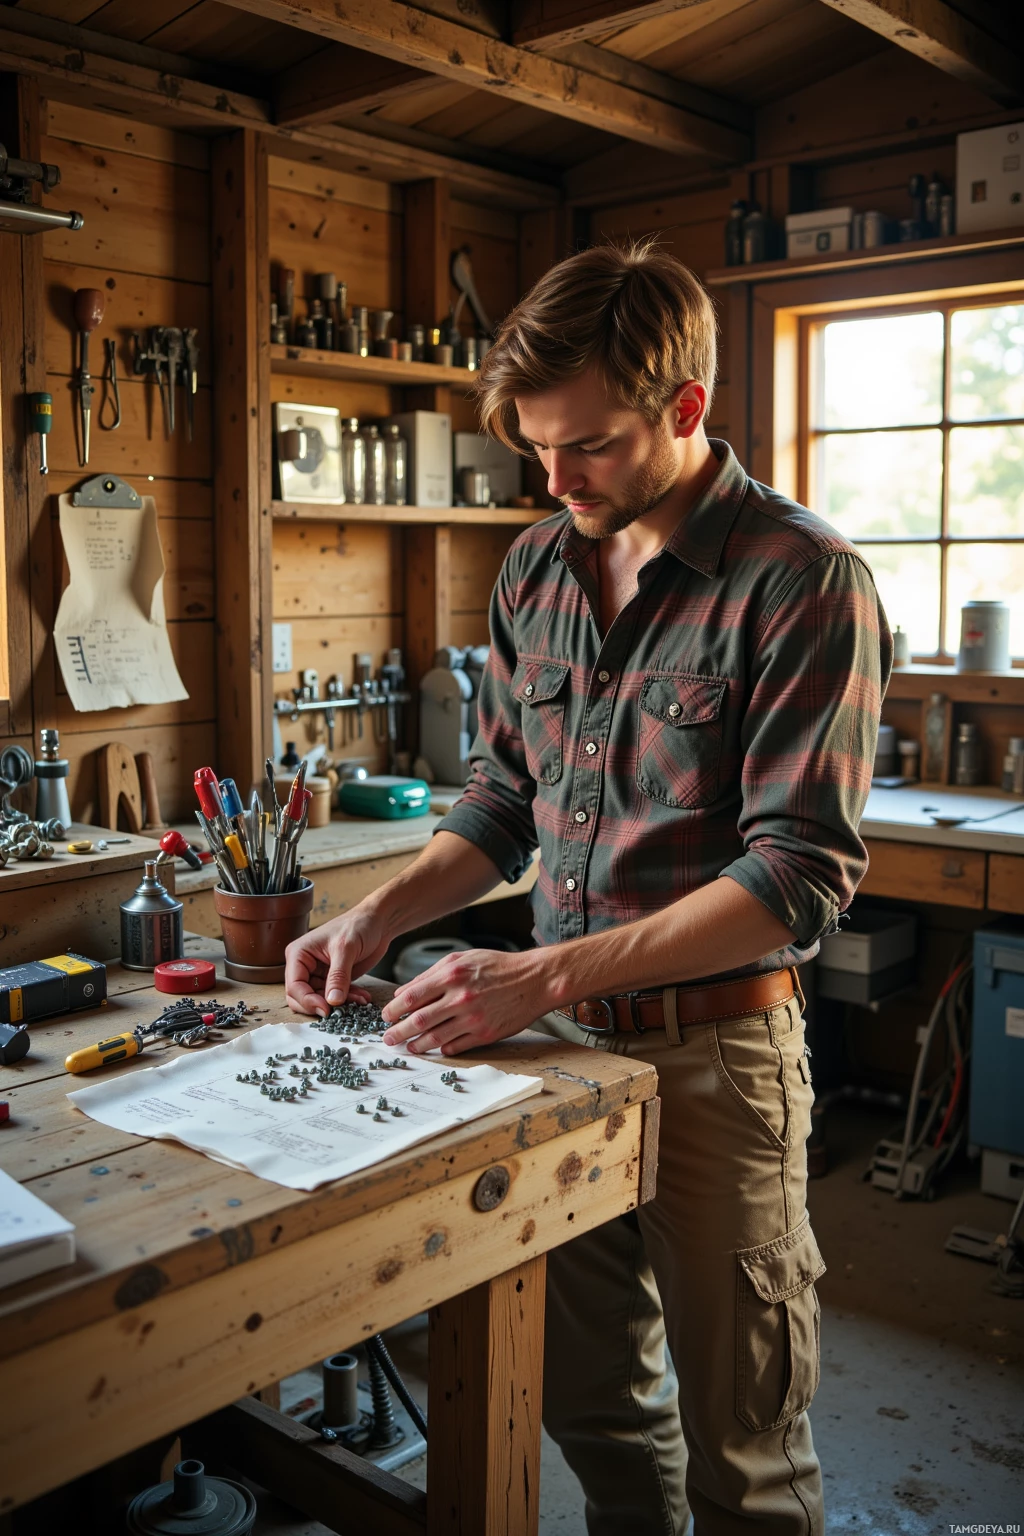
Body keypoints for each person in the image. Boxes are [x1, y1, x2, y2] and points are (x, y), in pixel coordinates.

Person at [285, 241, 891, 1535]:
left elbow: (798, 875)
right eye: (534, 451)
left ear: (685, 409)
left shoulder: (802, 577)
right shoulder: (536, 570)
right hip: (550, 1050)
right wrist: (374, 915)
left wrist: (538, 975)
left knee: (748, 1457)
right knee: (597, 1415)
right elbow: (504, 803)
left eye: (590, 448)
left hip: (717, 1058)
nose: (554, 482)